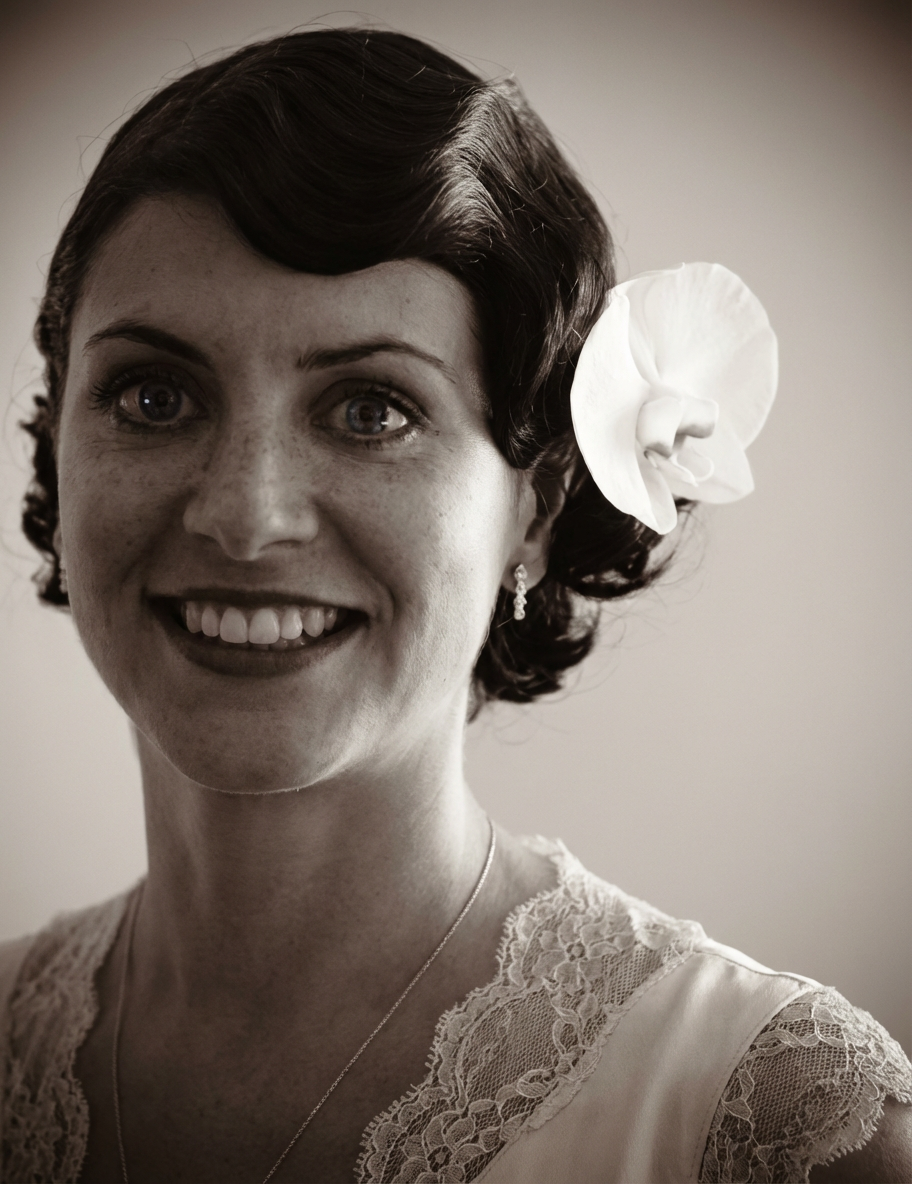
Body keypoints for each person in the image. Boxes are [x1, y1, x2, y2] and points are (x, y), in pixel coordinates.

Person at [0, 27, 909, 1184]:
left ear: (537, 503)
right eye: (153, 393)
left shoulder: (776, 1124)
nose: (244, 514)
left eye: (371, 408)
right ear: (57, 452)